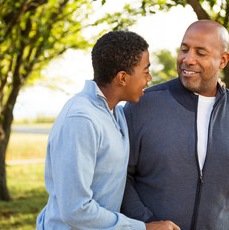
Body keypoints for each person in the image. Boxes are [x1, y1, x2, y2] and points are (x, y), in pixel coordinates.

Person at [121, 20, 229, 230]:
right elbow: (119, 176)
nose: (188, 60)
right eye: (184, 49)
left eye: (200, 53)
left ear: (223, 60)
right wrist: (147, 223)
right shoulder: (142, 105)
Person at [36, 31, 180, 230]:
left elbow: (158, 101)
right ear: (122, 78)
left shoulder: (116, 112)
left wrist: (211, 93)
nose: (149, 78)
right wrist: (145, 228)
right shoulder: (81, 120)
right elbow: (75, 210)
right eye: (145, 71)